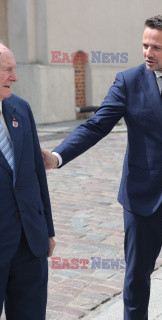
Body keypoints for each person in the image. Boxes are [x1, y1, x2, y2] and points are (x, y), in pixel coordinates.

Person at [41, 14, 162, 320]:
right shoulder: (128, 81)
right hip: (143, 196)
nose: (148, 52)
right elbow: (96, 126)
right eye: (144, 45)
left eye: (156, 47)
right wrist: (58, 156)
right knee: (137, 276)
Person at [0, 43, 55, 319]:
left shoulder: (20, 108)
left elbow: (35, 172)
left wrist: (47, 227)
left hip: (29, 243)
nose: (15, 77)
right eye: (8, 69)